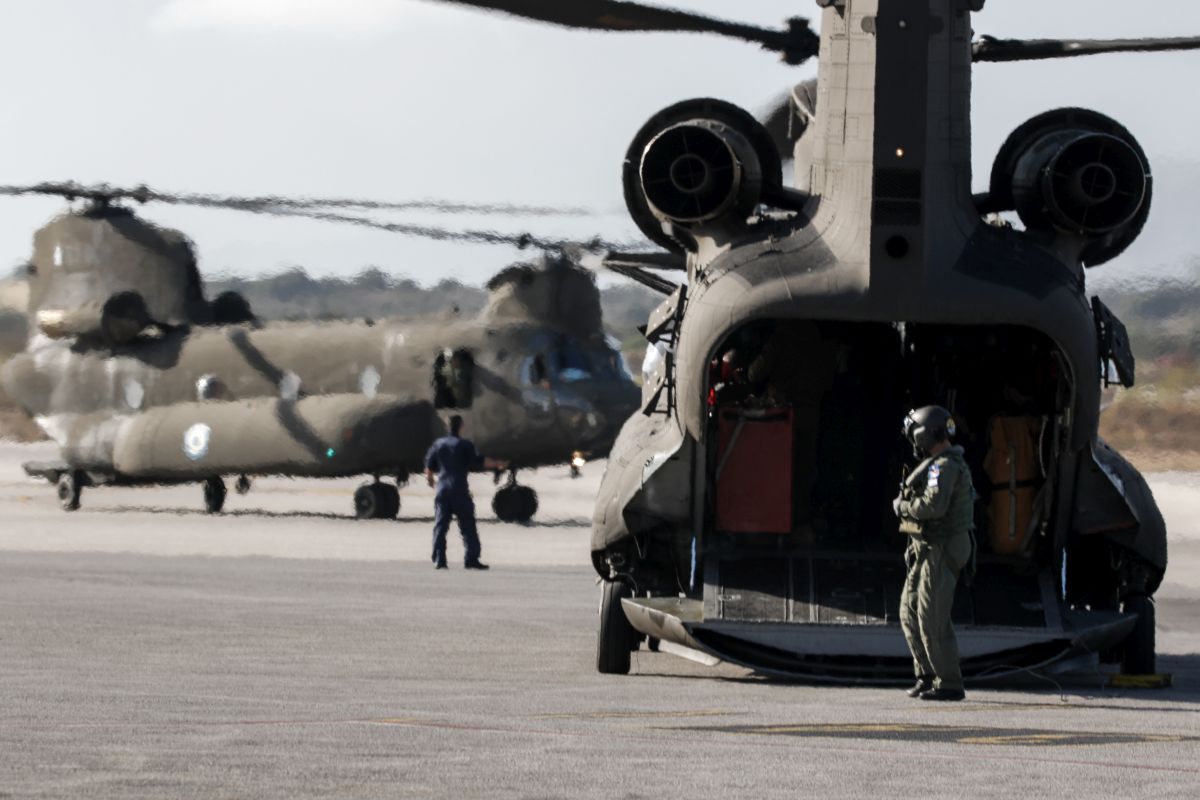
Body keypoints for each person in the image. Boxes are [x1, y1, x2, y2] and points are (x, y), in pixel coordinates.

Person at [894, 405, 976, 702]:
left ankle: (949, 682)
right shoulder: (938, 465)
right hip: (929, 547)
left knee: (932, 617)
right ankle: (926, 675)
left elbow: (932, 508)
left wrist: (902, 507)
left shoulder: (945, 467)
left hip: (943, 547)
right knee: (909, 609)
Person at [424, 414, 507, 570]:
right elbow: (480, 461)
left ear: (448, 427)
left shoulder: (438, 444)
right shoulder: (465, 445)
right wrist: (498, 464)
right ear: (461, 426)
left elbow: (429, 467)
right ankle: (471, 558)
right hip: (459, 488)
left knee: (441, 525)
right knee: (468, 525)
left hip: (442, 489)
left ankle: (439, 560)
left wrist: (431, 481)